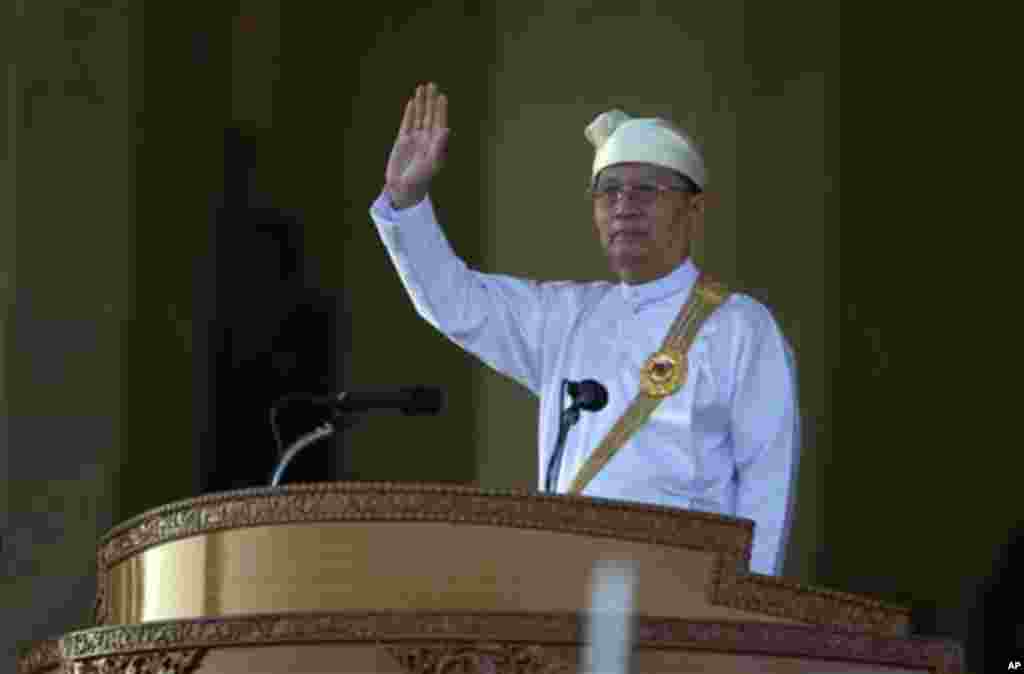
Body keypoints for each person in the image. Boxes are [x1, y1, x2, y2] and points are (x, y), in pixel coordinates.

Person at [369, 82, 801, 576]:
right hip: (566, 589)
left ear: (693, 210)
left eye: (647, 190)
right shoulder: (568, 317)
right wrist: (407, 201)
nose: (624, 205)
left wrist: (745, 613)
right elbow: (456, 302)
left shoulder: (740, 327)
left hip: (683, 602)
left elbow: (767, 487)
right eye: (609, 190)